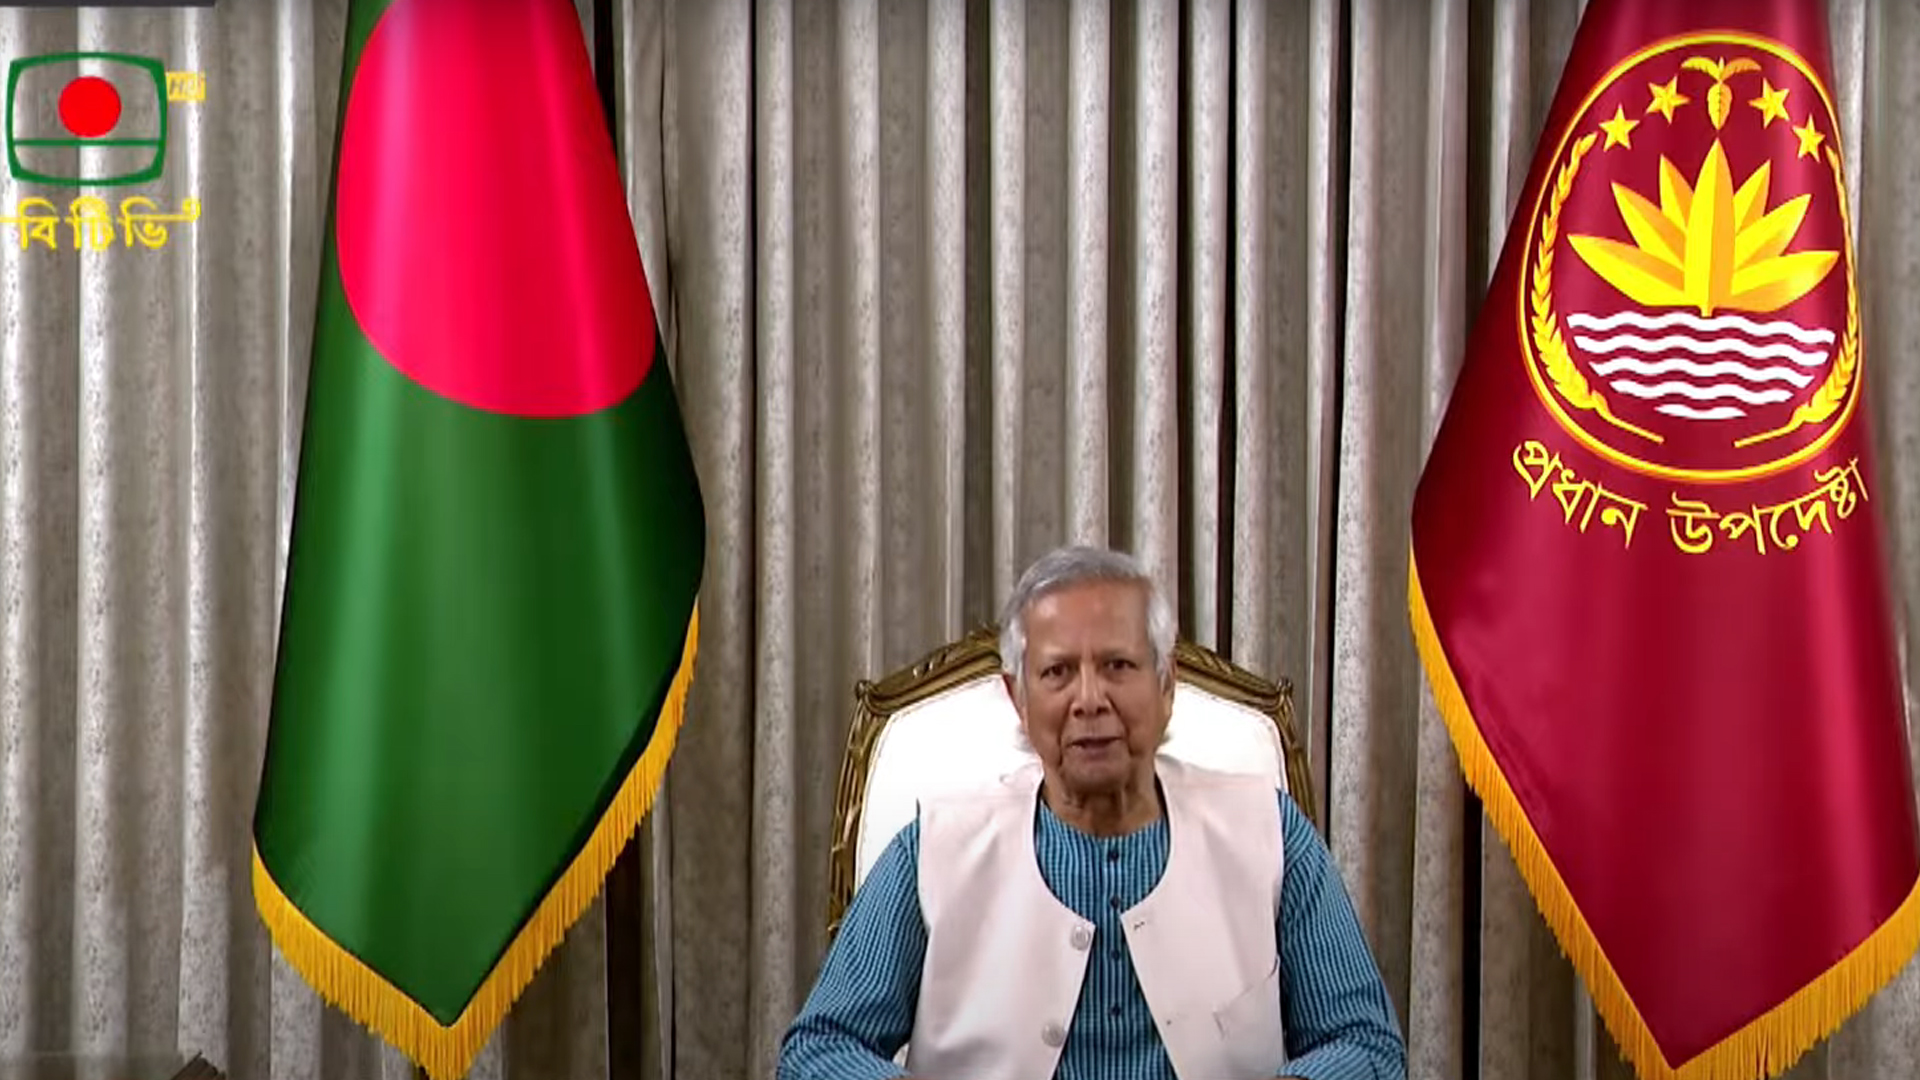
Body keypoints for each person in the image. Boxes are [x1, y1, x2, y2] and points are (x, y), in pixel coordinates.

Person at [777, 545, 1407, 1080]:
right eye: (1057, 672)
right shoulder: (933, 848)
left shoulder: (1269, 833)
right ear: (1018, 699)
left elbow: (1366, 1045)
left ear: (1166, 685)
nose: (1089, 700)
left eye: (1117, 666)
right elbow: (818, 1050)